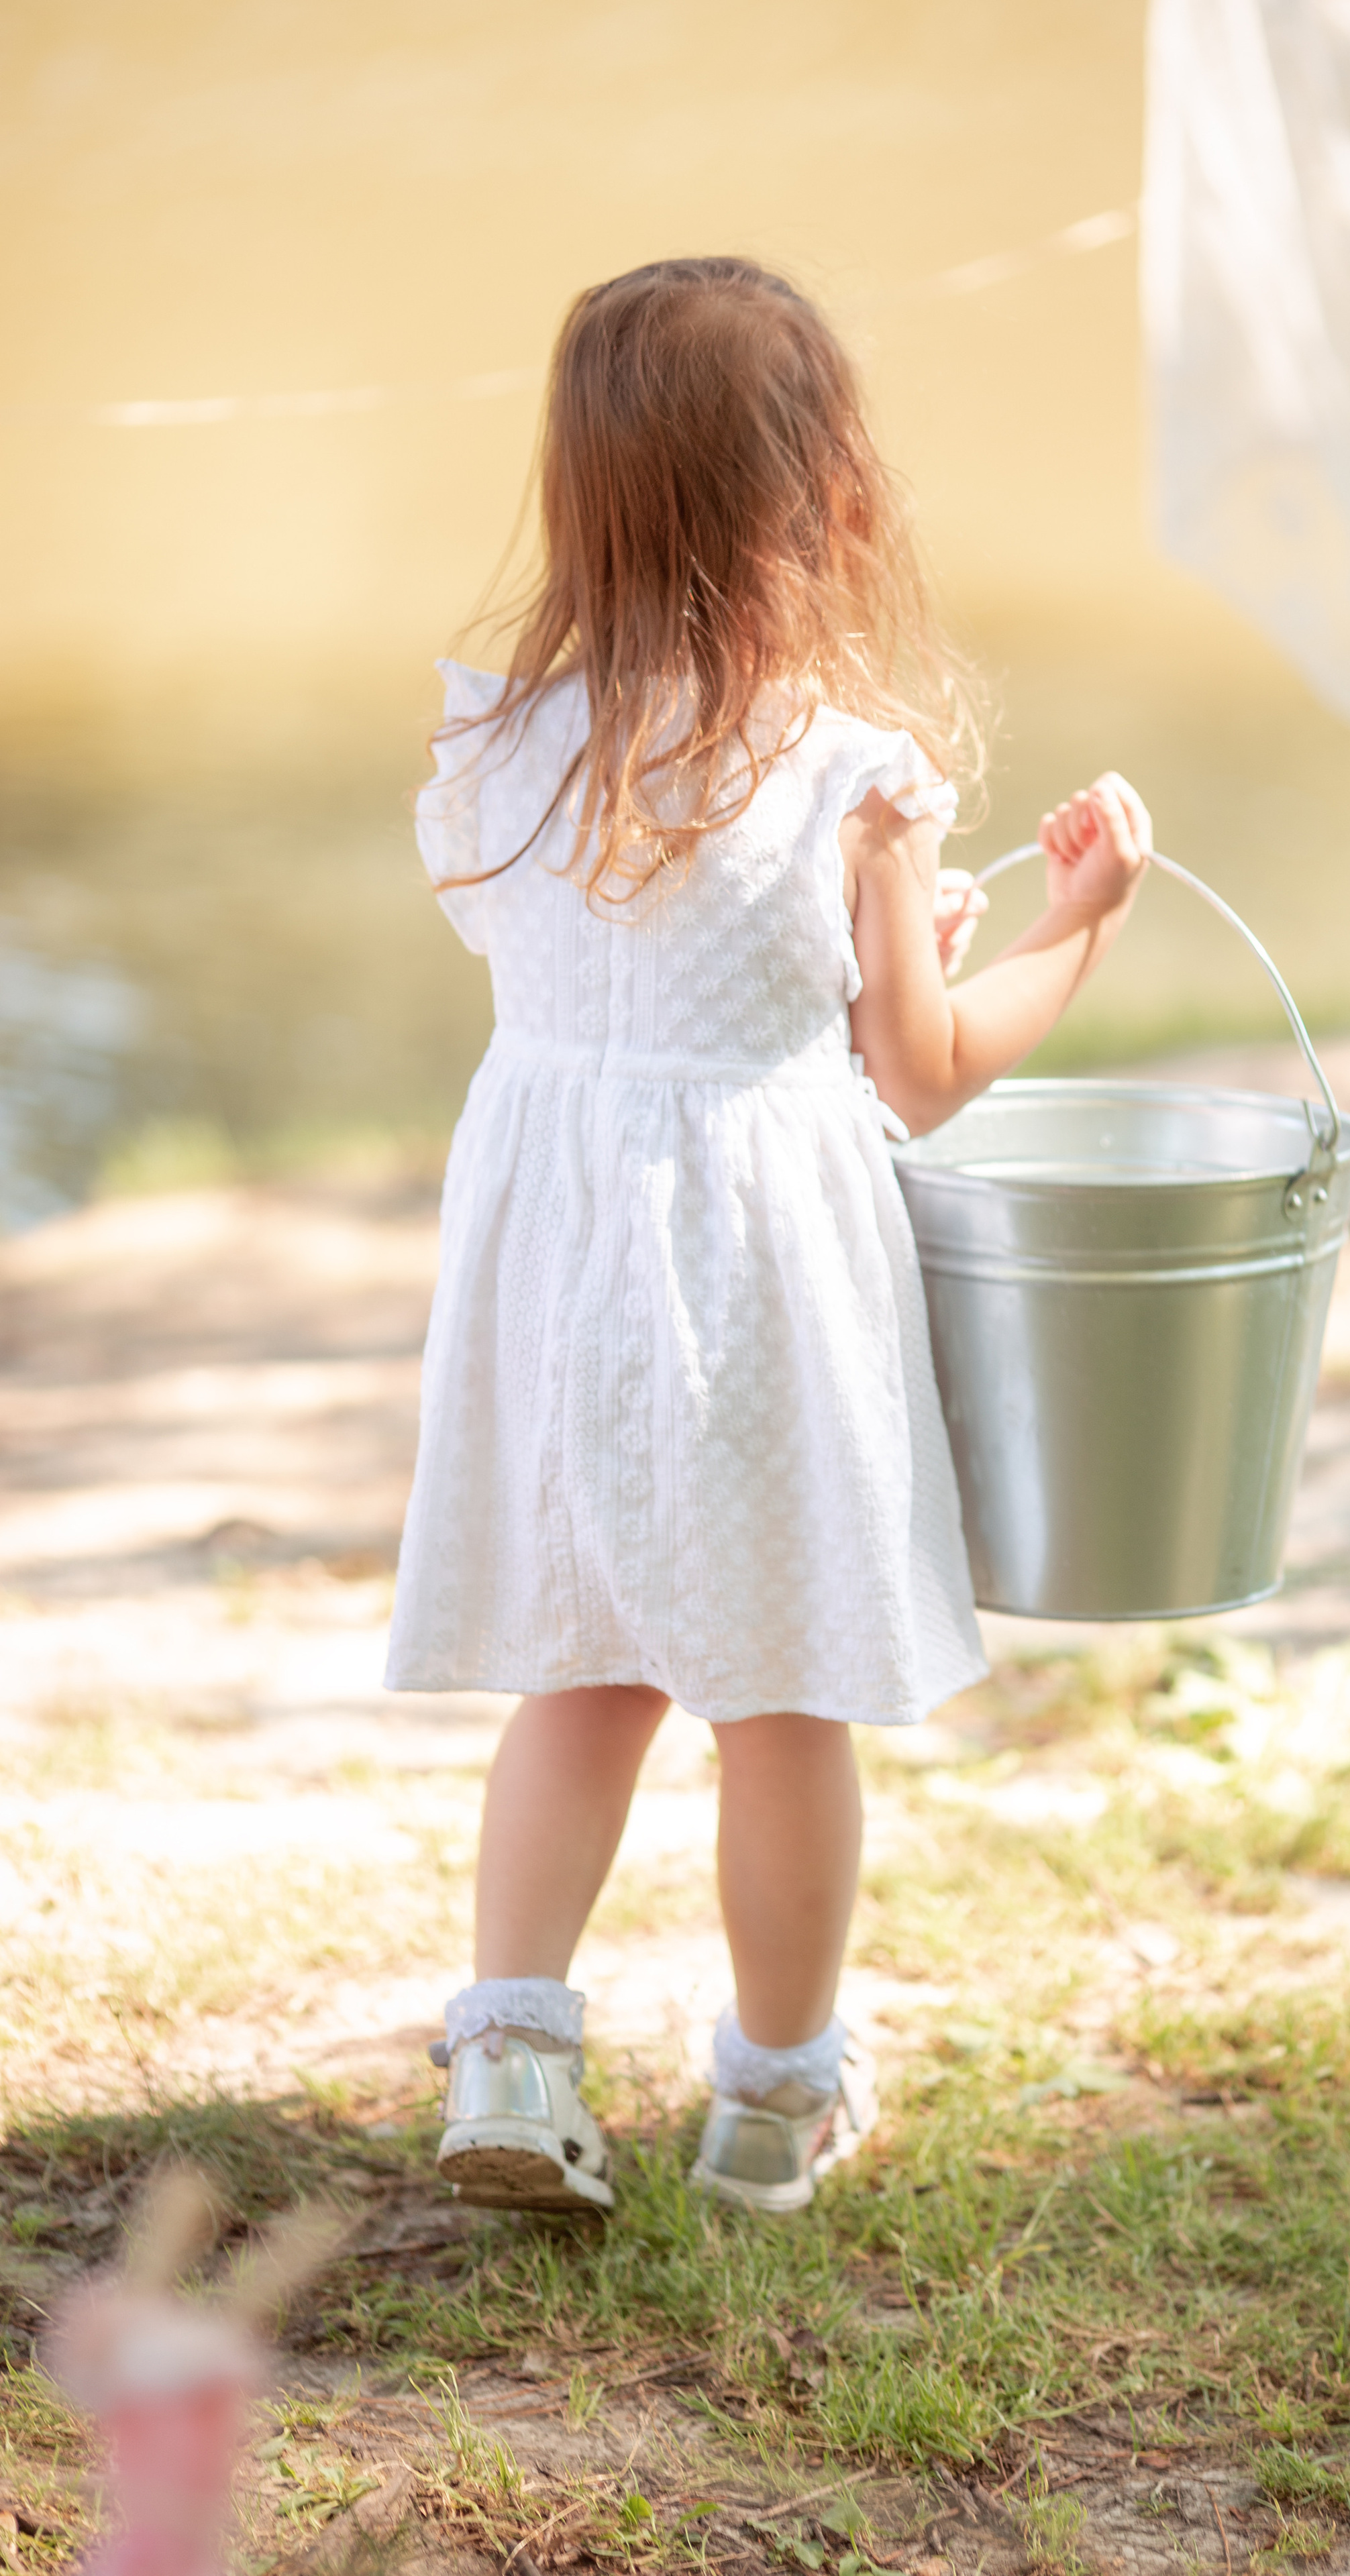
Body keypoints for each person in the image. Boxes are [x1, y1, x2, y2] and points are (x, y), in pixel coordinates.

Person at [384, 256, 1151, 2216]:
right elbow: (916, 1070)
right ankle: (772, 2099)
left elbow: (615, 988)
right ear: (820, 487)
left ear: (586, 489)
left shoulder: (499, 747)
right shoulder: (847, 774)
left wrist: (798, 985)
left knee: (589, 1672)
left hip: (560, 1263)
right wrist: (1075, 929)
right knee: (780, 1694)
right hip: (758, 1278)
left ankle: (510, 2058)